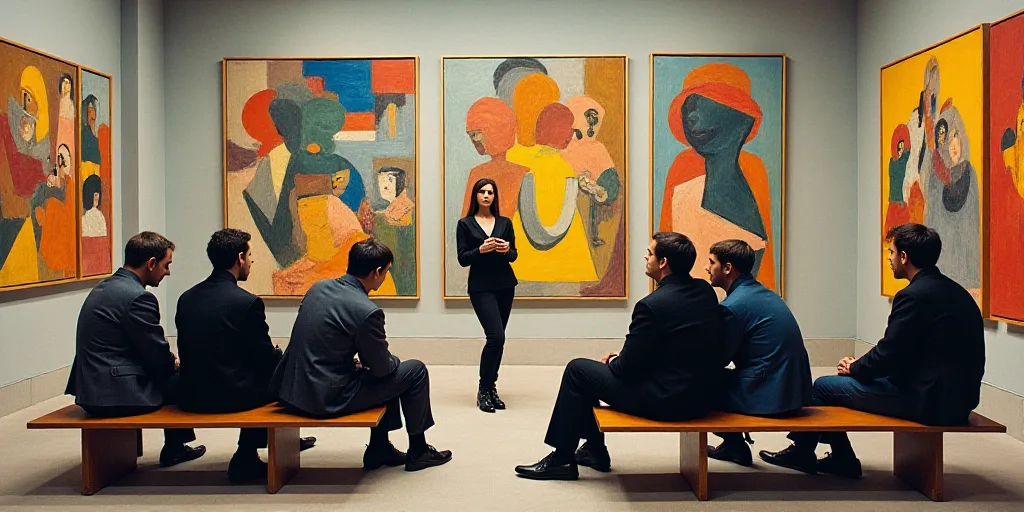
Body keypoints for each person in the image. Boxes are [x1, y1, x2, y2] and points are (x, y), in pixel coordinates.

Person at [759, 223, 985, 478]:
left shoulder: (913, 296)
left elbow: (890, 354)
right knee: (849, 379)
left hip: (929, 401)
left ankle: (811, 453)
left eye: (891, 252)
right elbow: (908, 353)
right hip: (959, 399)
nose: (888, 259)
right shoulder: (957, 292)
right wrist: (862, 367)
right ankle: (839, 457)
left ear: (904, 257)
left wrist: (853, 368)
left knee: (822, 386)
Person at [515, 232, 726, 480]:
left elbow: (627, 369)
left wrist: (613, 360)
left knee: (578, 371)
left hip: (666, 401)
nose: (646, 257)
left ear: (663, 263)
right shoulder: (704, 291)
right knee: (591, 375)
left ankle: (562, 458)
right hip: (699, 397)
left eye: (650, 253)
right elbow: (678, 345)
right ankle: (593, 450)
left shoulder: (652, 305)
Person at [270, 238, 452, 472]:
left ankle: (379, 448)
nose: (385, 276)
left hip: (294, 391)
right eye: (386, 271)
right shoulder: (367, 311)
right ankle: (418, 451)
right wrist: (389, 360)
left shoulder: (318, 288)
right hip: (324, 398)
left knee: (379, 374)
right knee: (413, 370)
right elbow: (382, 369)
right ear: (377, 272)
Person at [175, 229, 316, 484]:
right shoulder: (247, 303)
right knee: (281, 370)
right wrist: (279, 355)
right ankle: (247, 455)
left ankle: (283, 441)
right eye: (250, 255)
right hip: (229, 396)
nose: (252, 261)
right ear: (239, 258)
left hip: (191, 394)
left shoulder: (187, 298)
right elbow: (262, 358)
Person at [64, 232, 205, 467]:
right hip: (115, 394)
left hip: (90, 390)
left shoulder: (105, 287)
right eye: (166, 265)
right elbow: (156, 355)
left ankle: (175, 446)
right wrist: (176, 363)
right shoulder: (138, 298)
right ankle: (175, 448)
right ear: (151, 263)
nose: (168, 272)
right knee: (185, 379)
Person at [703, 239, 812, 466]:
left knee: (696, 382)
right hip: (794, 388)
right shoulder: (762, 293)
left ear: (727, 268)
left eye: (711, 262)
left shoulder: (733, 306)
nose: (707, 267)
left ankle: (734, 445)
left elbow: (716, 359)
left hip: (770, 392)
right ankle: (733, 446)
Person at [456, 178, 518, 413]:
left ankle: (491, 388)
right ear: (475, 195)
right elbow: (463, 258)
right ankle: (483, 389)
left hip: (505, 284)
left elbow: (514, 255)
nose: (486, 195)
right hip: (481, 287)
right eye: (482, 191)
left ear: (495, 196)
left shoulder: (505, 222)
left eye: (490, 192)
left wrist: (506, 250)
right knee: (496, 337)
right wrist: (480, 250)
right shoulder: (465, 224)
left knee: (498, 340)